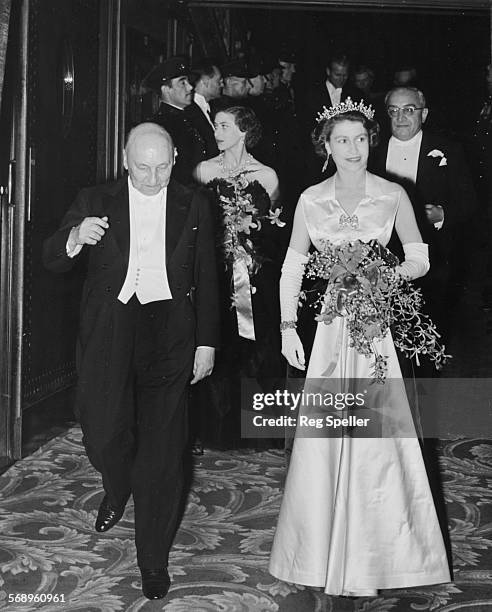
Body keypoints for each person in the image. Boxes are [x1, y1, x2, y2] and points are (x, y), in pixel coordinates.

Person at [269, 101, 451, 595]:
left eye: (361, 140)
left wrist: (380, 272)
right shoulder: (310, 198)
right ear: (326, 145)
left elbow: (419, 258)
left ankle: (381, 551)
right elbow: (292, 267)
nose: (353, 149)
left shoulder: (393, 194)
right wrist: (288, 327)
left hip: (374, 330)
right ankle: (319, 550)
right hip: (329, 332)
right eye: (342, 140)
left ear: (372, 142)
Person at [42, 123, 219, 600]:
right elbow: (51, 257)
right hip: (111, 332)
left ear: (175, 158)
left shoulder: (193, 202)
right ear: (125, 159)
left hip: (170, 335)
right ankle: (116, 486)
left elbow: (207, 273)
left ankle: (153, 560)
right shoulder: (95, 197)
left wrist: (207, 343)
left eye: (162, 167)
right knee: (102, 432)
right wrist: (76, 234)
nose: (153, 177)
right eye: (143, 167)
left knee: (162, 455)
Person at [193, 106, 285, 448]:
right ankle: (219, 430)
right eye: (215, 125)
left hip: (254, 274)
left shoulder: (267, 175)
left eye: (223, 126)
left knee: (256, 343)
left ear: (243, 132)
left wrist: (248, 236)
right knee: (220, 341)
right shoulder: (204, 170)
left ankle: (261, 431)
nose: (216, 132)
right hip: (216, 271)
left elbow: (272, 227)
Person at [371, 86, 476, 343]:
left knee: (429, 330)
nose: (400, 117)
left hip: (435, 257)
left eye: (409, 110)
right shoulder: (373, 152)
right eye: (393, 111)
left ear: (424, 114)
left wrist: (442, 214)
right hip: (385, 257)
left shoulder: (448, 150)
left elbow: (470, 201)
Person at [147, 57, 210, 185]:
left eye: (188, 81)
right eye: (182, 83)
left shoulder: (190, 117)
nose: (190, 87)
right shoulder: (161, 126)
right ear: (166, 90)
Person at [187, 60, 223, 159]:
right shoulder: (189, 111)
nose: (222, 84)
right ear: (205, 82)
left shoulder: (211, 108)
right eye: (218, 81)